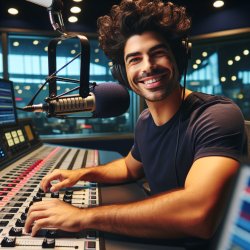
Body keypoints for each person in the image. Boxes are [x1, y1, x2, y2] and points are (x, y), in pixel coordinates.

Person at [24, 0, 248, 248]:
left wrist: (83, 216)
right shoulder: (145, 121)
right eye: (134, 59)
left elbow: (199, 215)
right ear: (122, 72)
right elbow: (130, 168)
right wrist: (81, 174)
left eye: (158, 53)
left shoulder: (216, 115)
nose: (148, 67)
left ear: (178, 56)